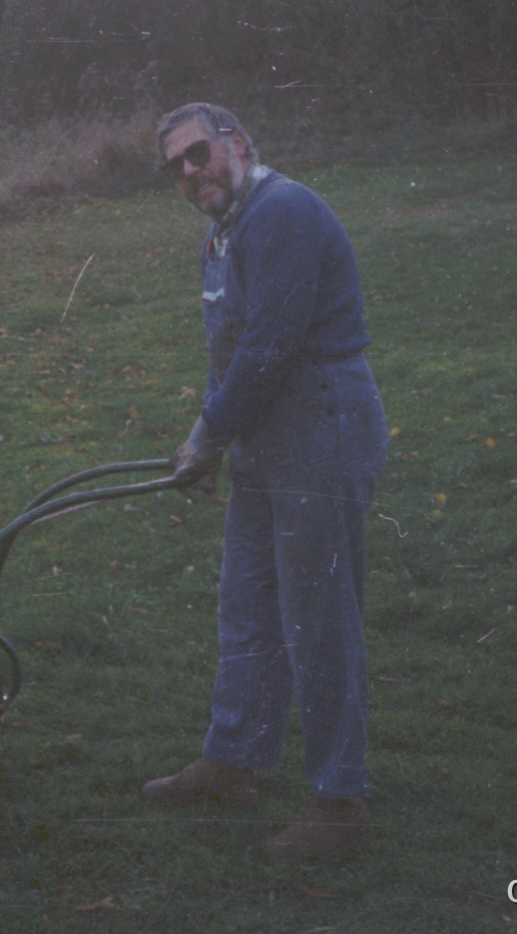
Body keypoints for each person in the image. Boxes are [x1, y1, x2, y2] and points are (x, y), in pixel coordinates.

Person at [144, 103, 388, 856]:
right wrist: (217, 438)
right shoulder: (221, 233)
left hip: (318, 420)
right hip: (261, 433)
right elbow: (232, 355)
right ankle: (232, 761)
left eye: (198, 154)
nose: (189, 173)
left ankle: (339, 804)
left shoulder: (280, 212)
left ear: (237, 144)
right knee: (246, 602)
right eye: (174, 166)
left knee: (316, 616)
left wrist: (205, 433)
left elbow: (269, 348)